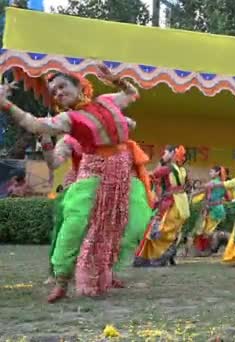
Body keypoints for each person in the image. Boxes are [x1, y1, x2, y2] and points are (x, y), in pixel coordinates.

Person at [0, 66, 154, 303]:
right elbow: (35, 126)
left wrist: (116, 80)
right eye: (54, 91)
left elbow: (132, 93)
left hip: (122, 172)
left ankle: (107, 272)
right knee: (74, 225)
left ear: (80, 86)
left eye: (62, 87)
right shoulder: (68, 122)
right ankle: (61, 280)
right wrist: (6, 105)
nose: (58, 93)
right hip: (91, 174)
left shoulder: (106, 101)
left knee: (136, 221)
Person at [134, 145, 190, 267]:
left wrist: (161, 161)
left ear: (172, 154)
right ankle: (166, 255)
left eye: (165, 152)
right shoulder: (183, 170)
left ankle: (157, 256)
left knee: (157, 231)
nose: (163, 154)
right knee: (172, 231)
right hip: (183, 204)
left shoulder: (168, 168)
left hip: (171, 203)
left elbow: (151, 176)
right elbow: (187, 187)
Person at [41, 134, 83, 285]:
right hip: (75, 188)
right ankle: (56, 272)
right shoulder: (69, 140)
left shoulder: (107, 135)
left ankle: (97, 273)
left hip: (103, 187)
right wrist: (46, 143)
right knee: (62, 231)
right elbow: (54, 163)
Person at [191, 166, 228, 257]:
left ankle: (223, 240)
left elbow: (204, 187)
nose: (210, 173)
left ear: (217, 172)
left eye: (211, 172)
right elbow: (204, 190)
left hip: (215, 210)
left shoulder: (214, 182)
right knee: (205, 230)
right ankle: (209, 248)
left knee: (207, 231)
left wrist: (196, 187)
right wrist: (192, 194)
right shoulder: (221, 183)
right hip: (215, 209)